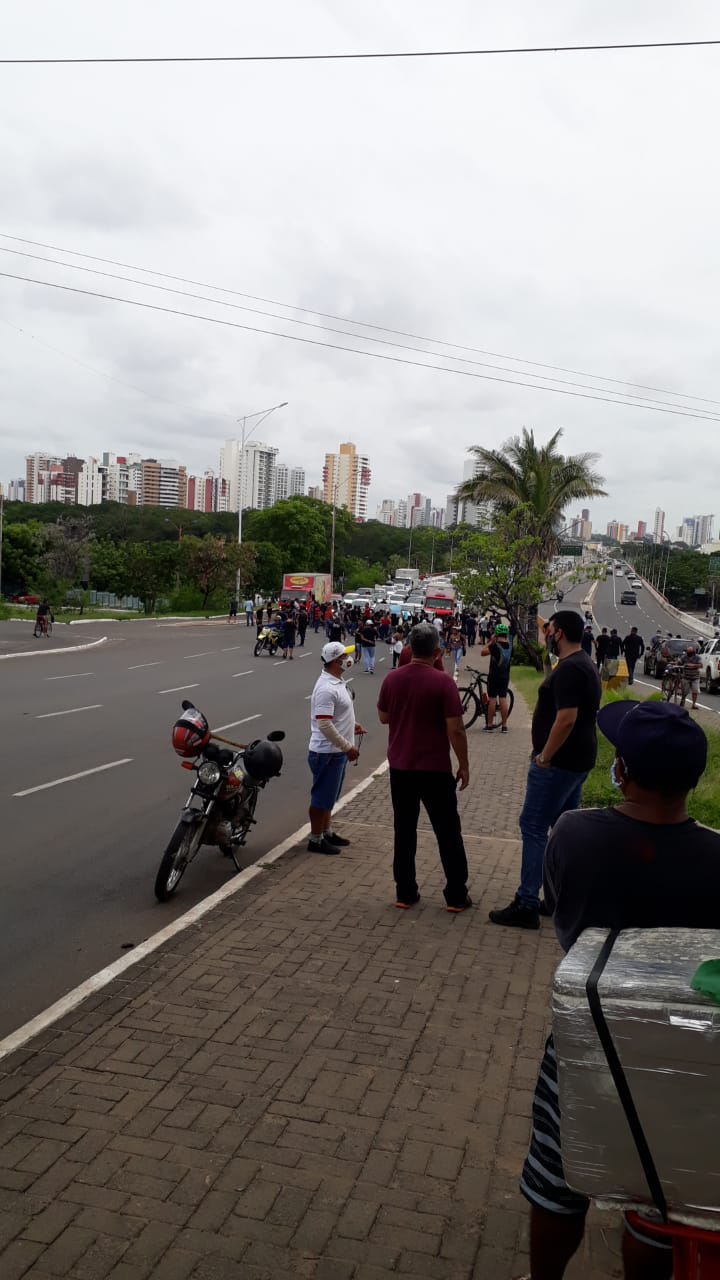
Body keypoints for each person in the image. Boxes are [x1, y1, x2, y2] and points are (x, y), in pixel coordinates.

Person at [518, 700, 720, 1280]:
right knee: (659, 1193)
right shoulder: (716, 855)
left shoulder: (575, 834)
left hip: (586, 1037)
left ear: (622, 771)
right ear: (694, 780)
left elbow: (558, 910)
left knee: (558, 1179)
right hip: (680, 1047)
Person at [489, 610, 601, 930]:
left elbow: (566, 719)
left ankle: (526, 902)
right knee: (561, 830)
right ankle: (556, 897)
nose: (546, 635)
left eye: (549, 630)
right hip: (577, 761)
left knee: (533, 825)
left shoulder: (570, 668)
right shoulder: (585, 664)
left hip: (558, 764)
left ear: (559, 632)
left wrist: (545, 756)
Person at [377, 623, 471, 912]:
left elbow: (383, 717)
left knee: (404, 830)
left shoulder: (392, 679)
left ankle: (405, 892)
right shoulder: (444, 683)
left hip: (401, 768)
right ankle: (456, 895)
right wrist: (464, 764)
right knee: (447, 831)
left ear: (409, 648)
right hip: (434, 768)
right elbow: (456, 728)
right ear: (437, 652)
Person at [307, 641, 365, 855]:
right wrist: (347, 746)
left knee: (329, 797)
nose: (349, 658)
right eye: (344, 656)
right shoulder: (326, 688)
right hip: (327, 753)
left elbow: (337, 715)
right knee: (321, 797)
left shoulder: (337, 681)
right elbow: (324, 723)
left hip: (336, 752)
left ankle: (326, 831)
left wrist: (352, 725)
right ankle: (315, 839)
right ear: (335, 661)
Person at [481, 621, 512, 732]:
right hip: (505, 676)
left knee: (492, 699)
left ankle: (489, 725)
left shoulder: (494, 646)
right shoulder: (510, 646)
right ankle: (504, 726)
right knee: (503, 698)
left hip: (494, 675)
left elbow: (482, 652)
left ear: (497, 634)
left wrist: (490, 641)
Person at [681, 643, 701, 709]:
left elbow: (701, 665)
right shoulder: (684, 657)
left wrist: (693, 665)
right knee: (685, 691)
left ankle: (693, 704)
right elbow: (680, 662)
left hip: (695, 677)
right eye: (688, 652)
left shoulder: (697, 657)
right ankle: (683, 700)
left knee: (695, 691)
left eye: (691, 652)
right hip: (686, 676)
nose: (689, 653)